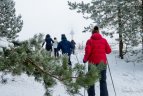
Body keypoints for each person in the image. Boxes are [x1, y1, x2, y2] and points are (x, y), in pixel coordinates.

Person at [83, 26, 111, 96]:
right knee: (103, 81)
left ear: (92, 33)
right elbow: (109, 51)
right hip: (102, 64)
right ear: (99, 32)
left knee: (91, 81)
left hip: (92, 64)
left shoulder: (89, 41)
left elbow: (87, 52)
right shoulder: (104, 40)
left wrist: (85, 59)